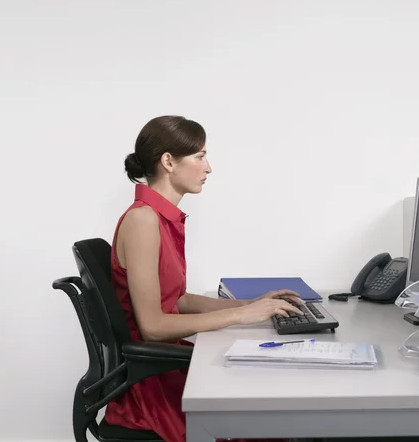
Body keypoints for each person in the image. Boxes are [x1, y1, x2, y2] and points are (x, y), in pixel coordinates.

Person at [104, 115, 303, 442]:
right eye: (200, 156)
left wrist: (252, 303)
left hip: (169, 370)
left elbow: (177, 298)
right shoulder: (142, 220)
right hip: (152, 389)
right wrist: (238, 316)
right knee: (273, 425)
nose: (208, 167)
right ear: (168, 161)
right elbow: (153, 326)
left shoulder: (163, 218)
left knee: (273, 405)